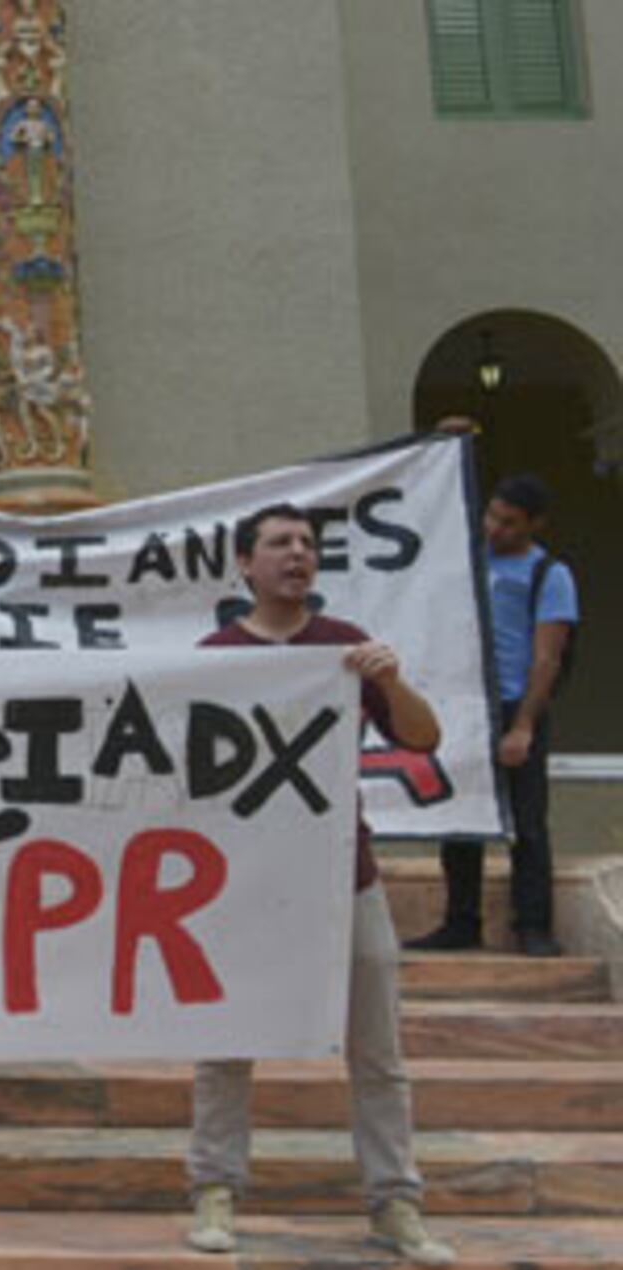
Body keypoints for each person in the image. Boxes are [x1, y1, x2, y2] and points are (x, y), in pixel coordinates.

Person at [184, 503, 454, 1266]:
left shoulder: (346, 651)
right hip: (243, 880)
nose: (297, 554)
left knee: (378, 1049)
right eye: (279, 543)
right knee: (226, 1039)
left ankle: (396, 1203)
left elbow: (424, 737)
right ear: (246, 565)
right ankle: (215, 1187)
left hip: (347, 873)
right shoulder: (213, 656)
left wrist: (391, 682)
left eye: (306, 543)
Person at [407, 474, 575, 958]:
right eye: (492, 515)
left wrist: (523, 725)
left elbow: (547, 658)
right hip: (463, 701)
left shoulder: (549, 575)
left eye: (509, 522)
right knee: (460, 818)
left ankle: (534, 925)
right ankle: (460, 921)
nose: (495, 527)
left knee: (527, 822)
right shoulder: (465, 557)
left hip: (513, 705)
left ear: (533, 524)